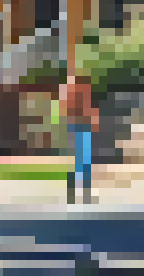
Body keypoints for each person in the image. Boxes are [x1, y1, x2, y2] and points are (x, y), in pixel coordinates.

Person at [50, 76, 97, 204]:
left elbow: (88, 110)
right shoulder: (71, 92)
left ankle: (81, 193)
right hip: (75, 126)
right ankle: (76, 193)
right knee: (78, 161)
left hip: (79, 126)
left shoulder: (79, 93)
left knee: (83, 161)